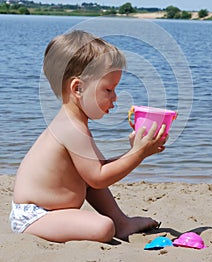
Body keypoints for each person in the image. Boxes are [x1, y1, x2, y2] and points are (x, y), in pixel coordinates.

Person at [10, 30, 168, 243]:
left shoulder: (75, 124)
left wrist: (135, 152)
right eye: (108, 89)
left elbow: (97, 170)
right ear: (78, 88)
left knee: (93, 183)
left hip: (50, 212)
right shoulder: (71, 128)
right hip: (36, 216)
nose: (115, 97)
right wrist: (138, 154)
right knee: (103, 227)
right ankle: (117, 224)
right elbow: (99, 177)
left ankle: (122, 222)